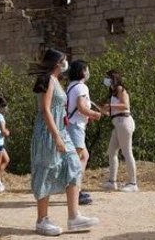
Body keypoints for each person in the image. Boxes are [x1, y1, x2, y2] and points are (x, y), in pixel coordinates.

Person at [30, 49, 99, 236]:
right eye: (64, 60)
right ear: (57, 63)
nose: (66, 63)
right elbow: (45, 110)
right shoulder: (47, 80)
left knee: (74, 165)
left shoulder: (57, 81)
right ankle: (42, 220)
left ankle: (74, 217)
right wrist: (56, 136)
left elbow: (59, 108)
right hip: (48, 133)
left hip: (62, 130)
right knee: (46, 170)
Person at [66, 60, 102, 205]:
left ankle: (76, 189)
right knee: (78, 159)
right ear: (82, 71)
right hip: (76, 127)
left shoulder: (71, 86)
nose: (88, 72)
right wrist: (95, 114)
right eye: (87, 69)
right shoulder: (81, 87)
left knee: (83, 156)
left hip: (72, 125)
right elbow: (81, 107)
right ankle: (76, 192)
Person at [101, 70, 137, 192]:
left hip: (124, 122)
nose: (105, 80)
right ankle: (112, 182)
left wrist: (110, 107)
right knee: (112, 151)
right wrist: (103, 111)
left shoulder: (121, 89)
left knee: (127, 152)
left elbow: (125, 106)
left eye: (107, 77)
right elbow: (112, 111)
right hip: (118, 123)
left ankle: (133, 183)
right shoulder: (113, 93)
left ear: (113, 79)